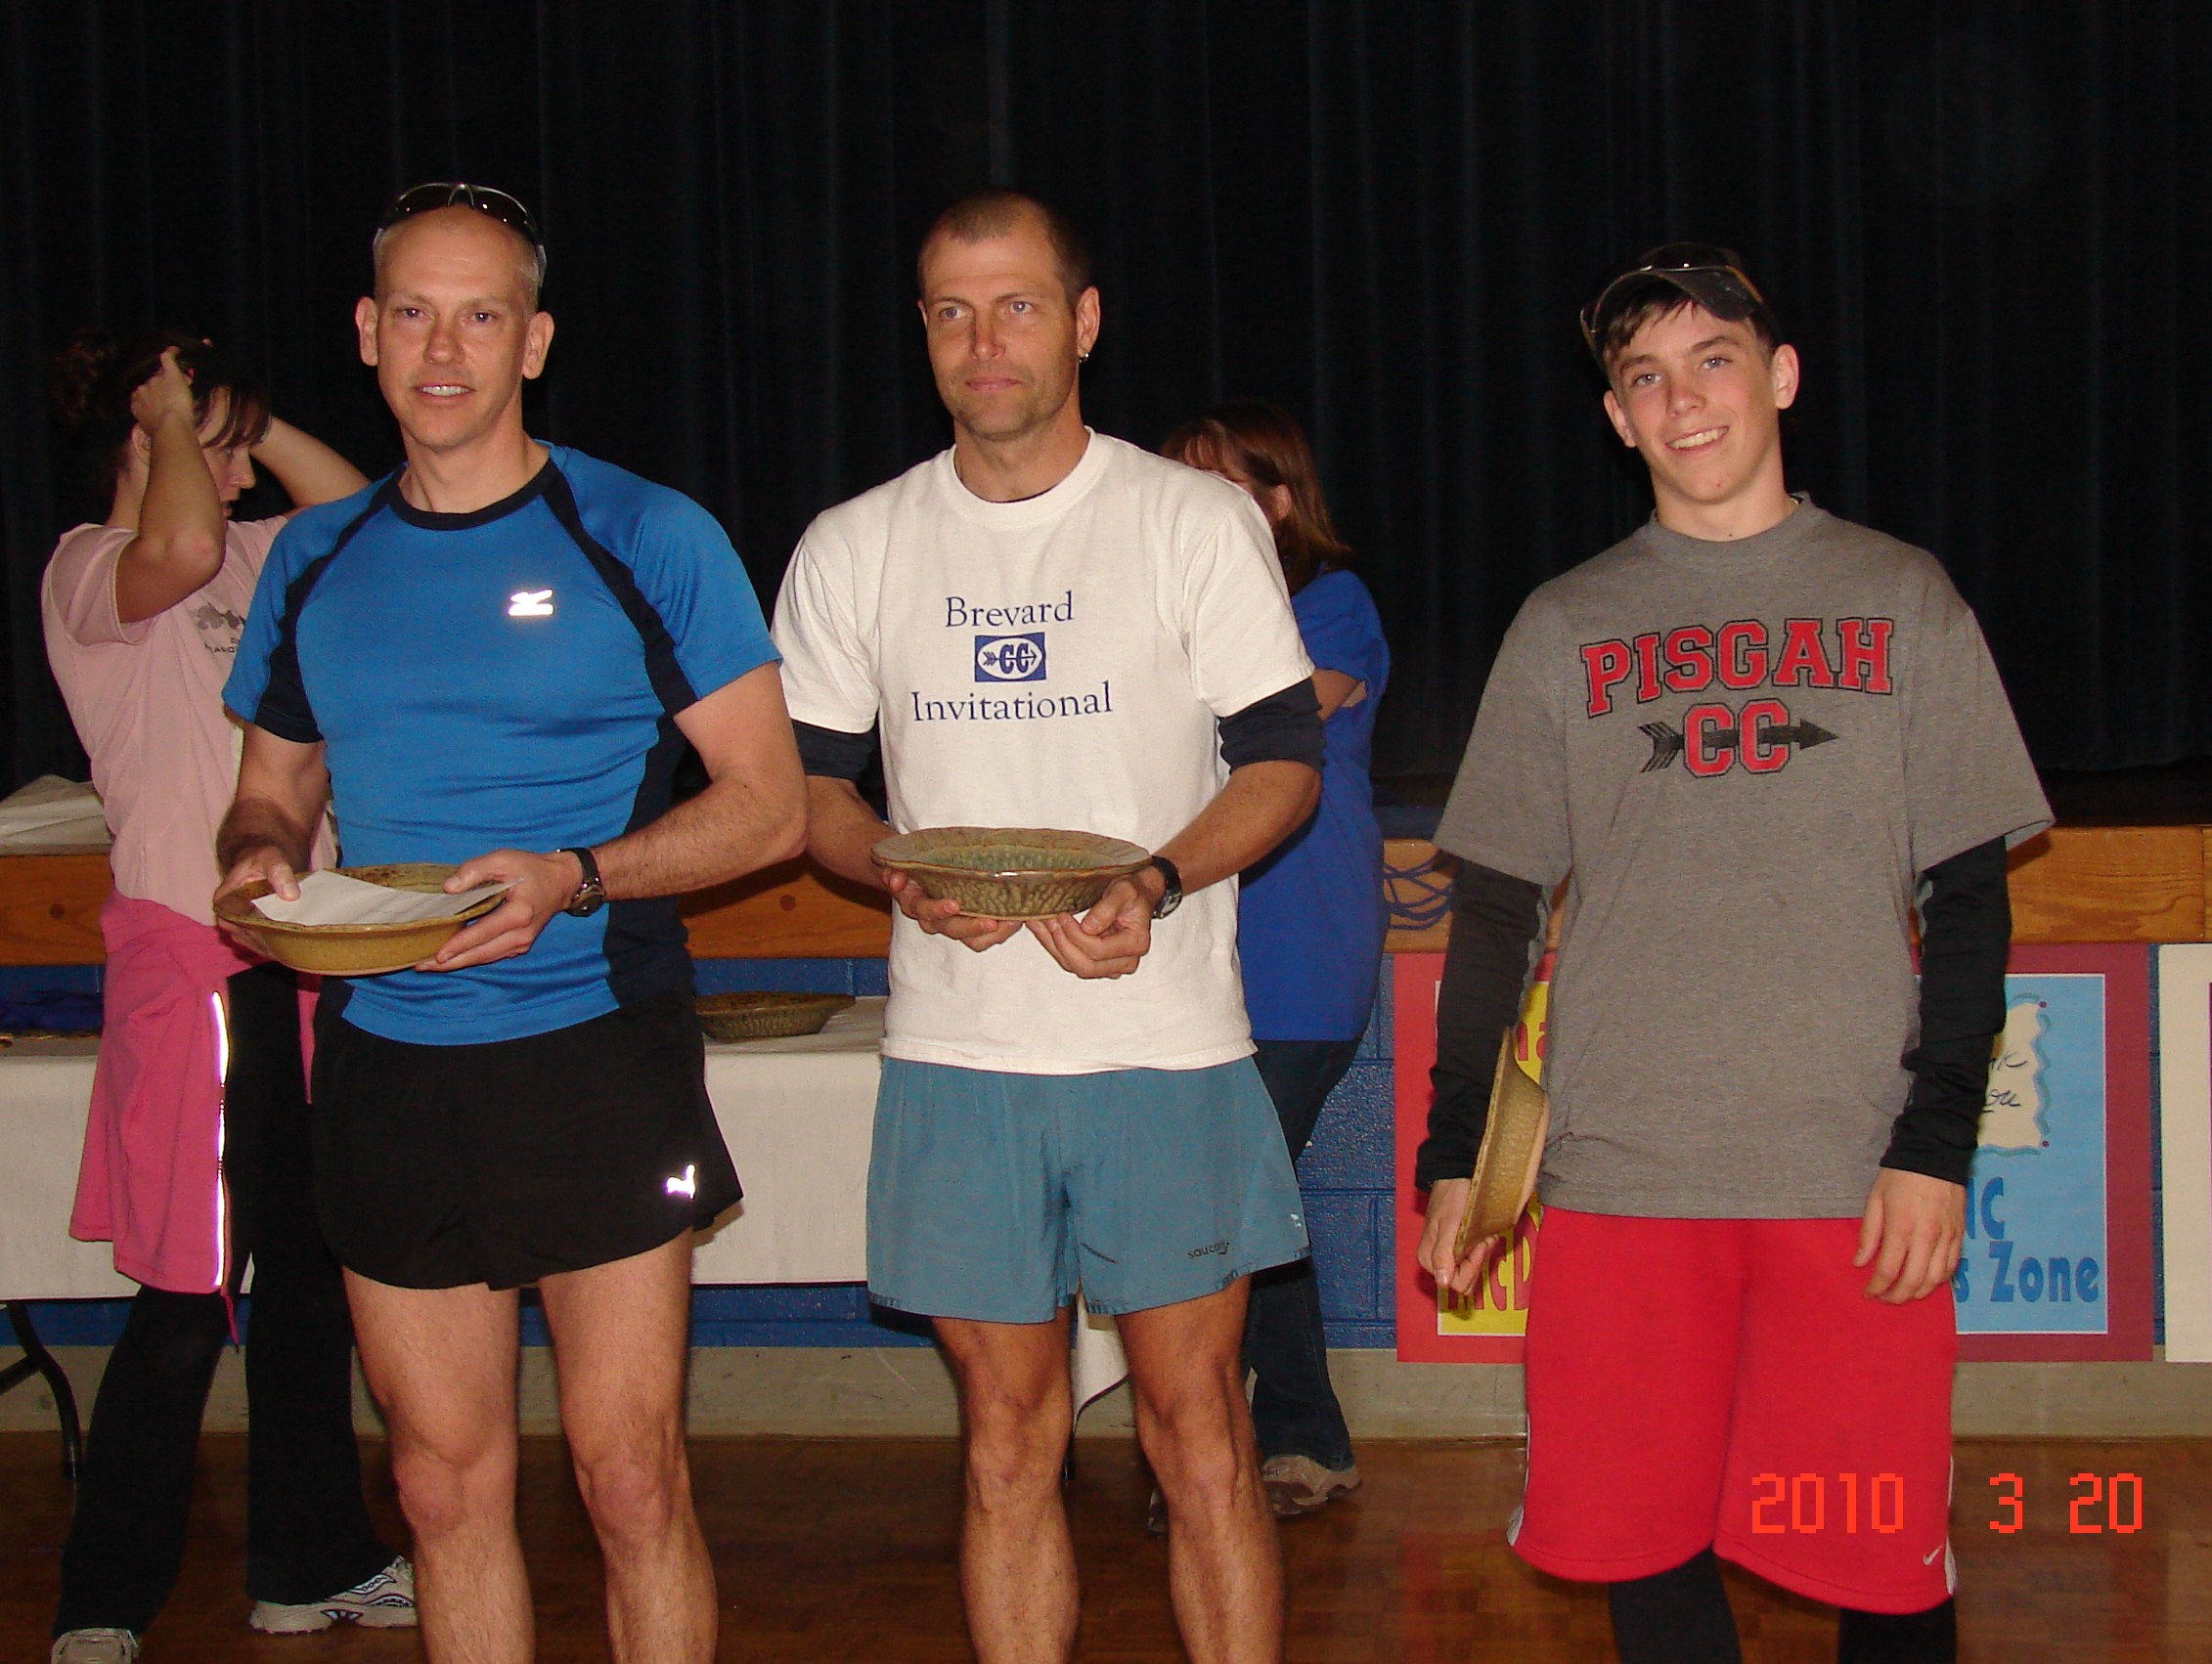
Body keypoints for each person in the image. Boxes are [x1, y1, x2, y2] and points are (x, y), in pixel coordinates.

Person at [1416, 244, 2051, 1664]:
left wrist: (1934, 1145)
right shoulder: (1563, 626)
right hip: (1623, 1179)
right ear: (1616, 418)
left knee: (1883, 1566)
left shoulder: (1902, 598)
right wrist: (1458, 1149)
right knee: (1647, 1554)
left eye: (1714, 360)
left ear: (1782, 376)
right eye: (1644, 377)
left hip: (1849, 1178)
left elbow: (1969, 904)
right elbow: (1498, 915)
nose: (1683, 399)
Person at [214, 182, 808, 1664]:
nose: (444, 349)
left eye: (481, 315)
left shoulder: (645, 532)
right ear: (367, 332)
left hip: (593, 1048)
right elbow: (269, 793)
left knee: (628, 1475)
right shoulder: (312, 558)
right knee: (438, 1481)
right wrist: (255, 866)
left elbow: (769, 807)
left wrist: (575, 874)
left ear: (532, 342)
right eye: (413, 313)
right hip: (387, 1059)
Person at [773, 190, 1322, 1664]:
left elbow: (1284, 761)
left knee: (1197, 1432)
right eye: (951, 311)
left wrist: (1156, 877)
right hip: (960, 1055)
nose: (983, 341)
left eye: (1016, 305)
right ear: (922, 332)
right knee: (1006, 1439)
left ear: (1082, 322)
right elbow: (809, 791)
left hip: (1164, 1046)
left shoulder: (1190, 519)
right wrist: (895, 872)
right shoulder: (856, 543)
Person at [41, 330, 410, 1664]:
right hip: (184, 967)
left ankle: (310, 1564)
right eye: (212, 445)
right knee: (187, 1296)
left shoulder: (265, 558)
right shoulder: (92, 571)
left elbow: (368, 513)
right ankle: (102, 1597)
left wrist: (240, 424)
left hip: (300, 961)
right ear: (139, 439)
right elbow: (182, 544)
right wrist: (171, 417)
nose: (237, 472)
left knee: (311, 1278)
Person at [1161, 401, 1388, 1521]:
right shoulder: (1170, 612)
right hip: (1199, 958)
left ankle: (1244, 1446)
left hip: (1301, 953)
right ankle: (1280, 1441)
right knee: (1252, 1193)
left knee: (1236, 1191)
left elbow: (1266, 720)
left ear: (1281, 502)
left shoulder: (1330, 604)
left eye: (1221, 485)